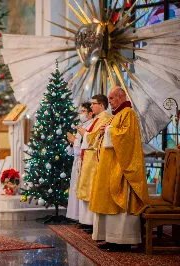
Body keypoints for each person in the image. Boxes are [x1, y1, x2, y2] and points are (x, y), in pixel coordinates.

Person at [89, 86, 149, 252]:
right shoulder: (116, 115)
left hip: (122, 168)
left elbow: (126, 138)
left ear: (121, 98)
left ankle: (122, 240)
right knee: (108, 202)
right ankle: (110, 238)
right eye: (109, 98)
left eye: (112, 98)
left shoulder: (128, 113)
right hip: (110, 166)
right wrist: (104, 130)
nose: (109, 101)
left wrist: (107, 130)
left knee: (120, 204)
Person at [75, 95, 111, 232]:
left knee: (91, 189)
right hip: (88, 157)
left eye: (94, 104)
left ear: (101, 105)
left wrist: (85, 133)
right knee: (85, 188)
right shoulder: (97, 119)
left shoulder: (105, 118)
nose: (91, 107)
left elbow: (95, 138)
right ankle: (86, 220)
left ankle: (91, 222)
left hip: (94, 158)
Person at [66, 102, 94, 222]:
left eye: (83, 111)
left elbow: (89, 143)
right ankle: (78, 218)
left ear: (90, 114)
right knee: (75, 189)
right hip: (77, 162)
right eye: (80, 111)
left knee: (82, 190)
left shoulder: (91, 125)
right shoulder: (81, 126)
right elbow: (75, 149)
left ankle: (85, 219)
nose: (80, 114)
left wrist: (75, 141)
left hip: (85, 162)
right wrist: (72, 142)